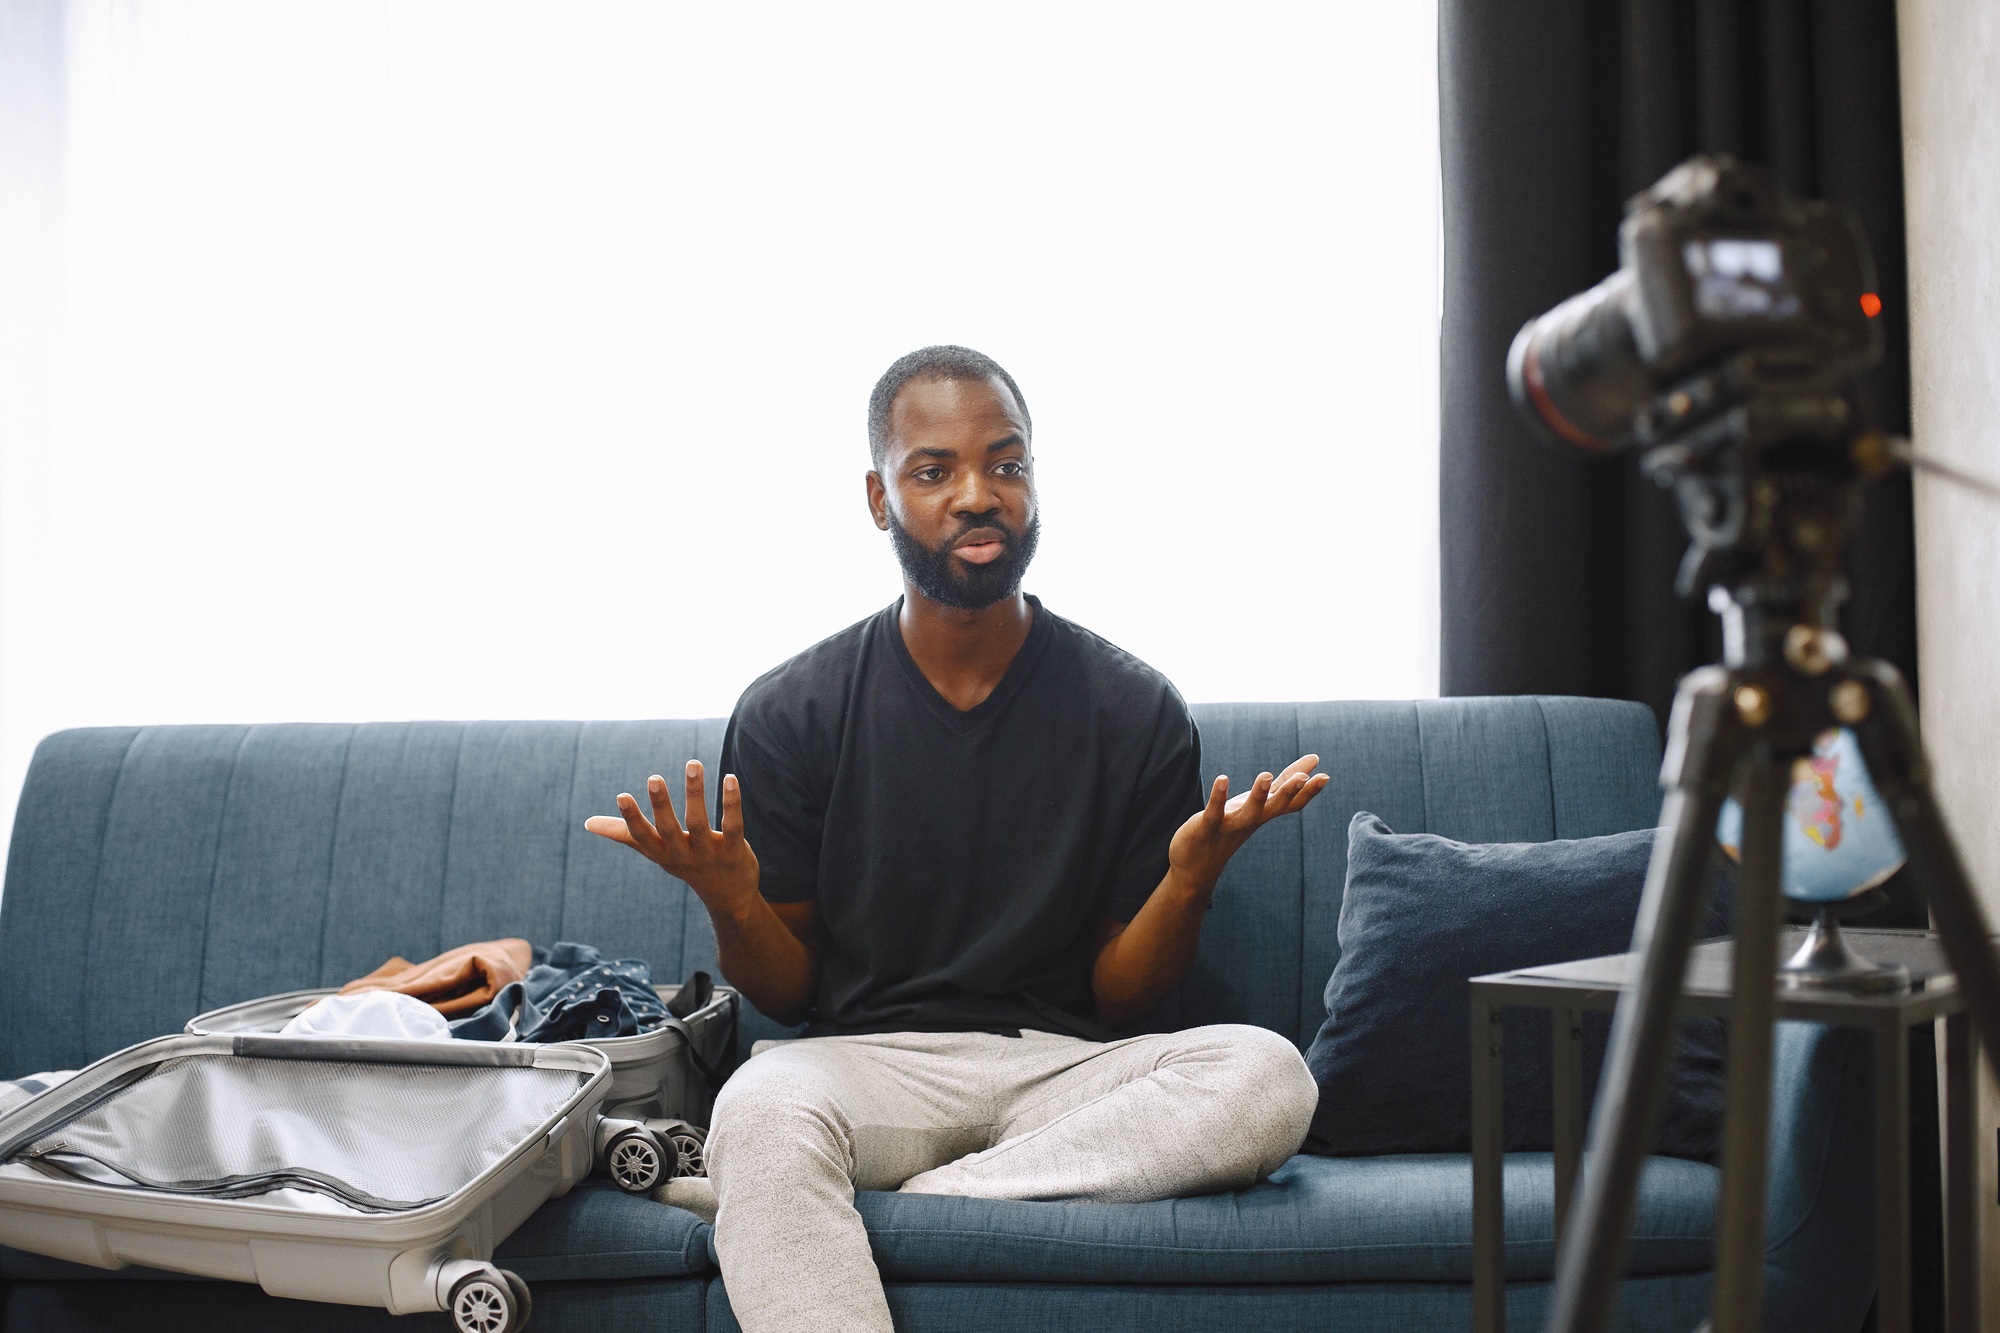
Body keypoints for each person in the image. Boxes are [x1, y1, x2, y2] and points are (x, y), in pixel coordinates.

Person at [586, 345, 1326, 1331]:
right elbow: (789, 993)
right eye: (933, 470)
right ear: (877, 496)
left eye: (1006, 465)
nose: (978, 494)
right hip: (865, 1066)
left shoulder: (1133, 706)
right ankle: (780, 1181)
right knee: (761, 1108)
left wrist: (1187, 881)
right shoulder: (790, 710)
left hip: (1065, 1075)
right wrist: (729, 896)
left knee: (1266, 1076)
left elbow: (1124, 994)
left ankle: (816, 1204)